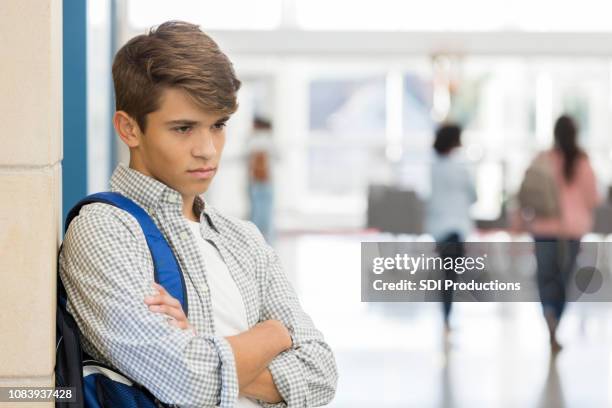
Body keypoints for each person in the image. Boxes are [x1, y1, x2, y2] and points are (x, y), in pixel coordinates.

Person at [59, 21, 337, 407]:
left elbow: (321, 375)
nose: (207, 149)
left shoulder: (242, 239)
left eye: (218, 125)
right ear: (129, 129)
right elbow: (189, 381)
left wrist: (204, 348)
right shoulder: (105, 230)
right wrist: (273, 334)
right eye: (184, 128)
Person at [516, 115, 600, 353]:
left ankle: (549, 314)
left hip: (544, 227)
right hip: (572, 230)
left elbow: (526, 192)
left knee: (545, 275)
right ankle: (556, 319)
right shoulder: (583, 163)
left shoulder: (543, 159)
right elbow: (593, 198)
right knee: (564, 276)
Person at [426, 124, 477, 336]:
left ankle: (446, 317)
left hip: (439, 229)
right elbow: (474, 196)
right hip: (457, 228)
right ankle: (447, 316)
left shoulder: (433, 167)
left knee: (445, 274)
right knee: (451, 275)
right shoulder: (461, 167)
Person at [247, 117, 276, 244]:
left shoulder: (257, 141)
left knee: (259, 211)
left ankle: (260, 238)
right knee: (262, 211)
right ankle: (262, 238)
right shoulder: (268, 141)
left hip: (261, 181)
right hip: (260, 182)